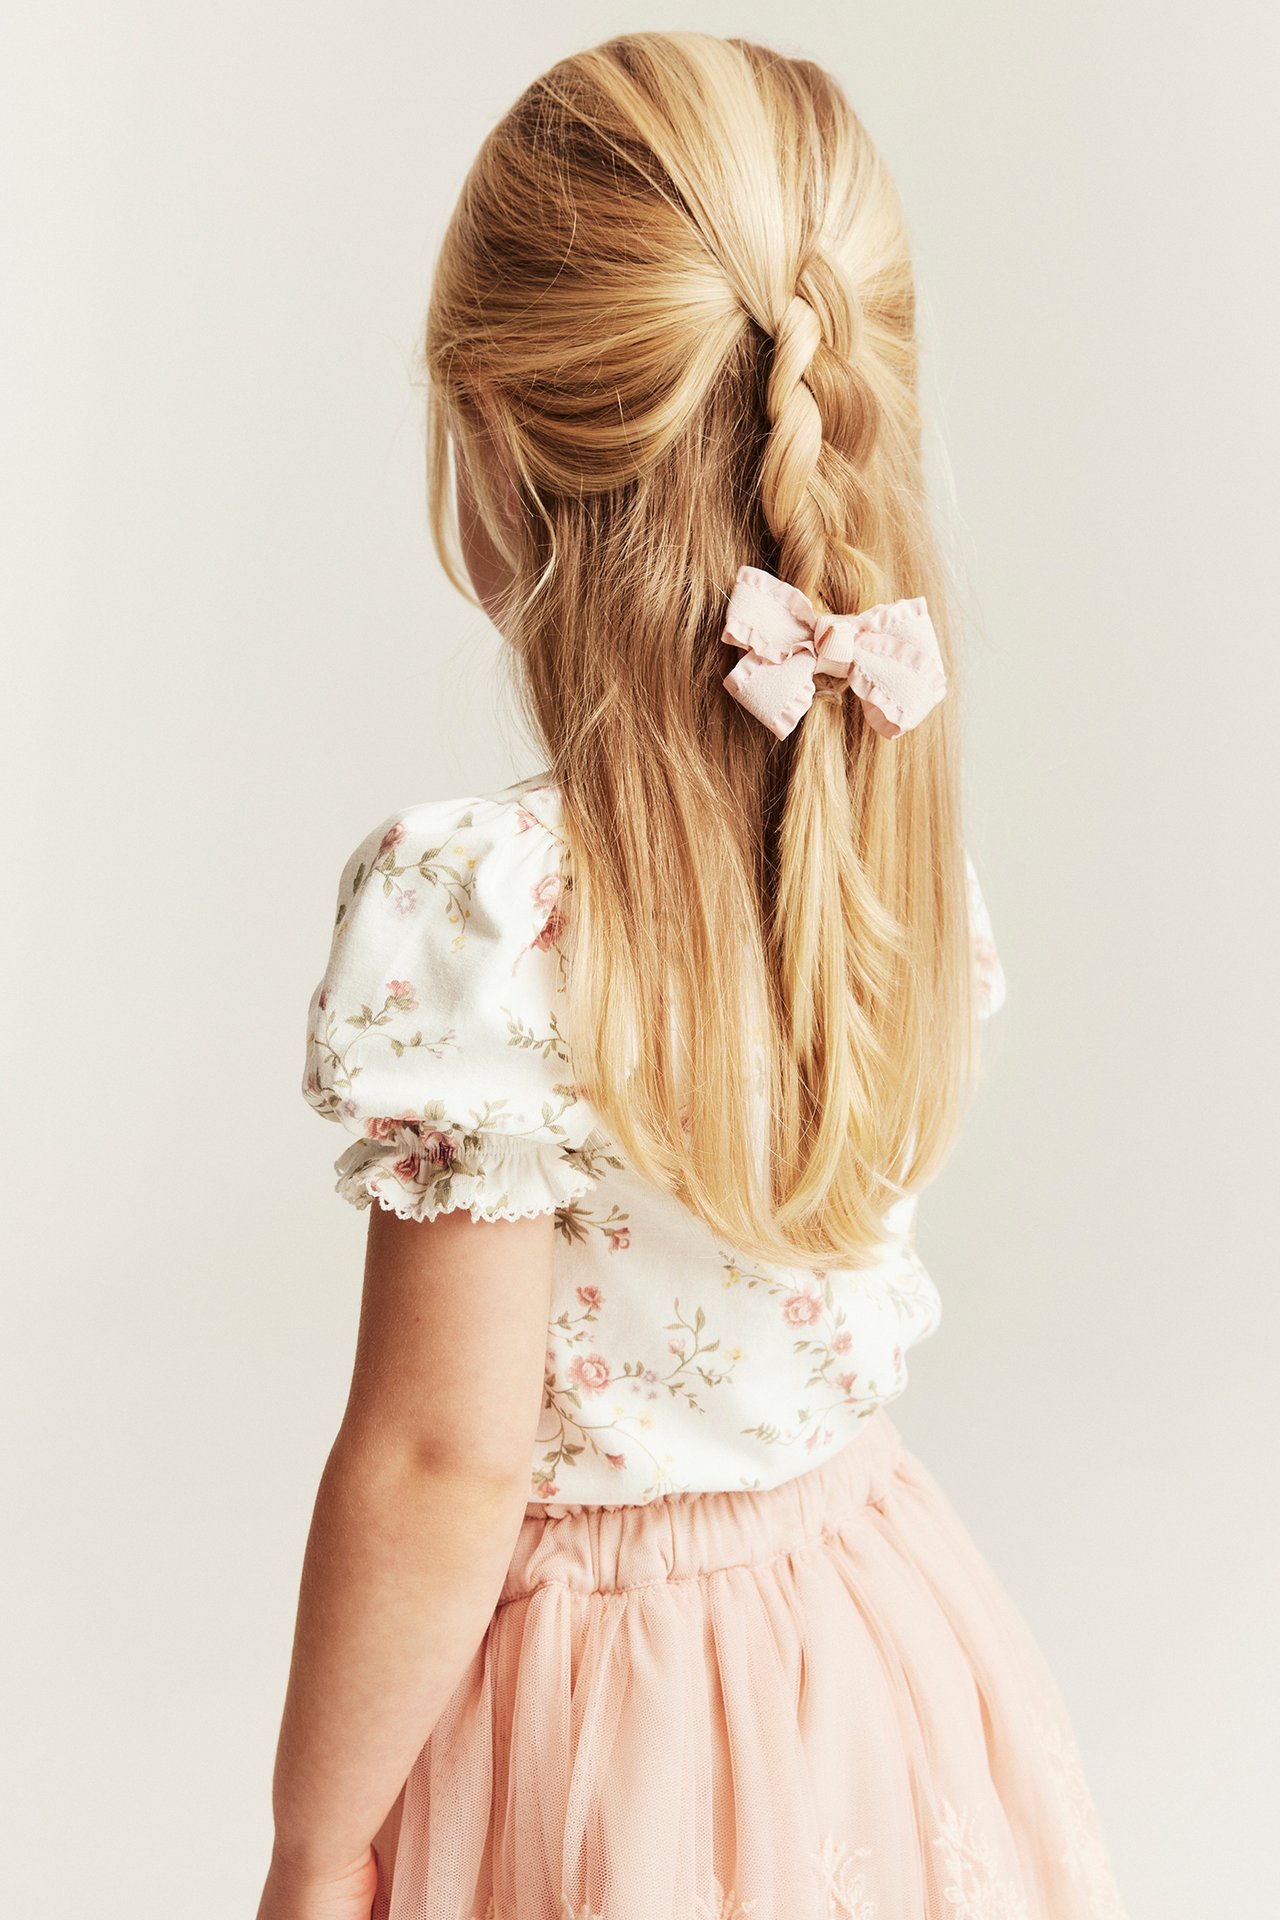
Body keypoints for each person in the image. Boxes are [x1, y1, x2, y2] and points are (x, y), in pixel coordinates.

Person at [255, 31, 1129, 1920]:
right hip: (871, 1637)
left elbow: (439, 1460)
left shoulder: (486, 907)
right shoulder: (880, 836)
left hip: (608, 1703)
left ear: (495, 431)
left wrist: (314, 1843)